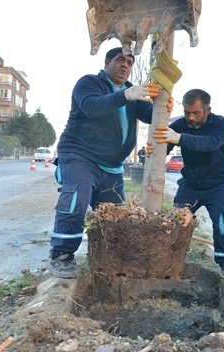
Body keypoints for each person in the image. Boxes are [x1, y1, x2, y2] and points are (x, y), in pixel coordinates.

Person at [48, 47, 170, 278]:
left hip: (112, 164)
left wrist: (163, 106)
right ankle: (61, 255)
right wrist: (126, 95)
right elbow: (92, 107)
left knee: (114, 215)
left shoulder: (131, 92)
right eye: (120, 60)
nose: (126, 65)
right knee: (77, 198)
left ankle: (107, 258)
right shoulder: (89, 83)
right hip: (80, 155)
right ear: (107, 62)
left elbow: (150, 114)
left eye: (130, 62)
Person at [151, 89, 224, 280]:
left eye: (196, 113)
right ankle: (169, 260)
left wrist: (179, 138)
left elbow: (210, 143)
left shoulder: (222, 125)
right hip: (191, 184)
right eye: (187, 112)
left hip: (219, 184)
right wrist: (155, 147)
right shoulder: (180, 125)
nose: (191, 117)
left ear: (208, 110)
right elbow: (163, 146)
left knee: (223, 221)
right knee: (175, 221)